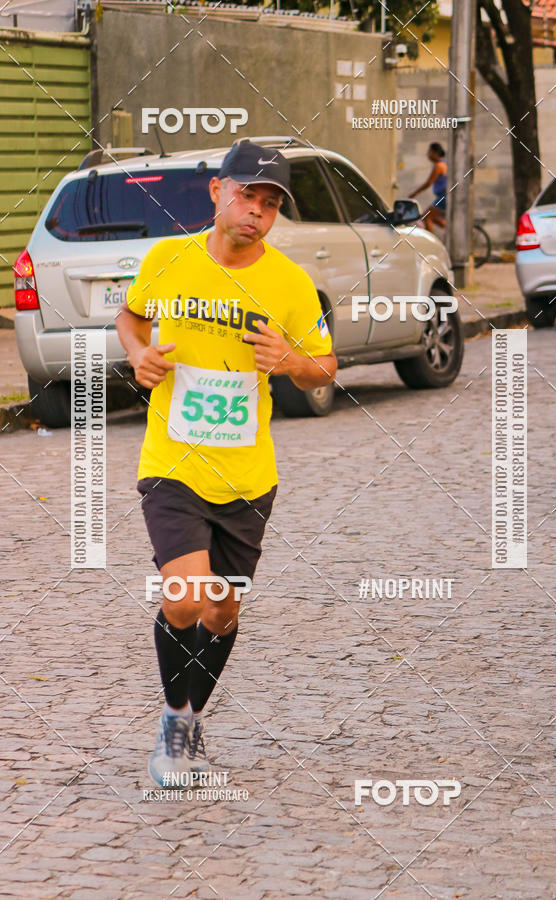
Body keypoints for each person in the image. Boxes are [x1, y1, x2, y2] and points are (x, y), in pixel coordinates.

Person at [116, 141, 337, 786]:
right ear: (217, 192)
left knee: (221, 611)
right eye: (247, 196)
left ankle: (190, 719)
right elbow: (131, 318)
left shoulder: (290, 283)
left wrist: (291, 362)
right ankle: (175, 725)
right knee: (184, 597)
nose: (256, 212)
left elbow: (325, 367)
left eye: (270, 204)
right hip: (173, 463)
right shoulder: (168, 259)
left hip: (246, 477)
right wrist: (138, 355)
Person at [409, 142, 447, 233]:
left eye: (429, 152)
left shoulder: (438, 166)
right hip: (443, 196)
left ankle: (431, 240)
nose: (428, 154)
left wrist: (415, 193)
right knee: (432, 217)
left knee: (427, 216)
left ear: (435, 153)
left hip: (443, 197)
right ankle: (451, 228)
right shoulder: (443, 163)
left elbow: (428, 183)